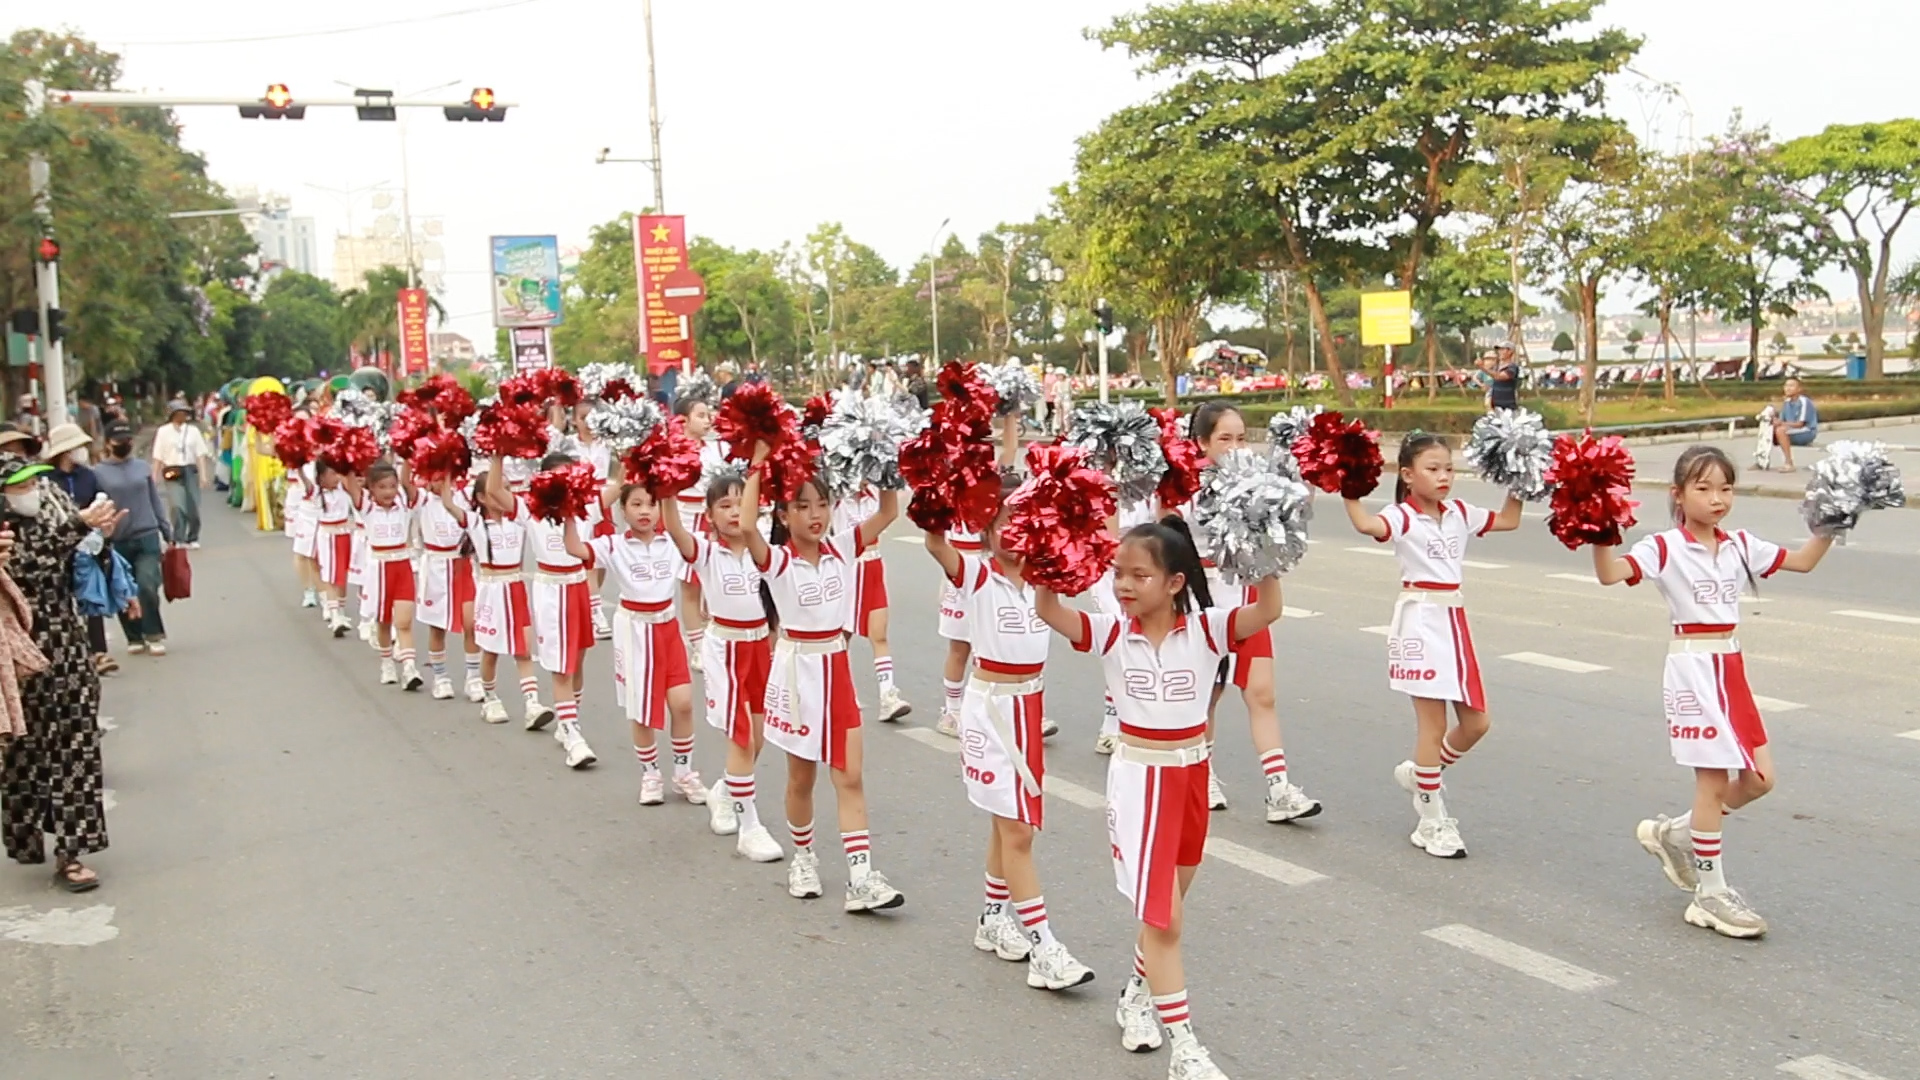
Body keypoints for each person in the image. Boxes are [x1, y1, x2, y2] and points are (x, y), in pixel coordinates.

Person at [1035, 519, 1283, 1079]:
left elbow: (1267, 611)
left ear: (1173, 582)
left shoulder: (1208, 629)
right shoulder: (1110, 633)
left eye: (1138, 575)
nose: (1123, 584)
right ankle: (1186, 1049)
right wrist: (1047, 562)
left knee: (1168, 910)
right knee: (1165, 919)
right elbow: (1050, 613)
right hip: (1140, 782)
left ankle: (1136, 995)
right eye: (1118, 573)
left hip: (1193, 776)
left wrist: (1266, 547)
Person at [1591, 446, 1831, 939]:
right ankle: (1710, 893)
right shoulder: (1664, 547)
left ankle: (1674, 835)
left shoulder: (1741, 544)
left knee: (1761, 780)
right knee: (1714, 783)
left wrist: (1836, 515)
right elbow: (1611, 573)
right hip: (1693, 669)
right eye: (1703, 488)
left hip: (1731, 667)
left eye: (1725, 488)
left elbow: (1804, 561)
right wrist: (1599, 529)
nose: (1717, 498)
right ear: (1678, 495)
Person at [925, 477, 1096, 992]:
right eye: (1004, 523)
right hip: (991, 710)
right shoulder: (976, 575)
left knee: (1011, 827)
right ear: (987, 526)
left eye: (1024, 522)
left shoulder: (1045, 579)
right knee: (1017, 830)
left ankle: (992, 918)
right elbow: (936, 543)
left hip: (1029, 705)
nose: (1014, 534)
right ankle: (1045, 945)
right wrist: (941, 483)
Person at [740, 447, 906, 912]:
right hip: (797, 674)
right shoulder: (776, 561)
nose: (815, 515)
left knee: (850, 776)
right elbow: (748, 527)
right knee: (801, 778)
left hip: (837, 671)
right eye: (802, 506)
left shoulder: (843, 547)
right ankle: (804, 857)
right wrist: (757, 464)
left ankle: (860, 876)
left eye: (821, 504)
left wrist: (881, 451)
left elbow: (889, 510)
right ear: (784, 513)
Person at [1342, 433, 1523, 858]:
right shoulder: (1402, 516)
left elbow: (1510, 520)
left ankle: (1423, 774)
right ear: (1407, 475)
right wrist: (1347, 485)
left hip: (1454, 621)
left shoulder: (1460, 512)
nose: (1444, 477)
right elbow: (1369, 526)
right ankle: (1431, 819)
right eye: (1433, 468)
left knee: (1477, 723)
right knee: (1433, 725)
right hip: (1420, 620)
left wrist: (1520, 475)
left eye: (1448, 468)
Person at [1187, 403, 1320, 822]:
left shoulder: (1258, 485)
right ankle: (1202, 773)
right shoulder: (1186, 491)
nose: (1235, 447)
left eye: (1241, 438)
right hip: (1204, 605)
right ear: (1201, 443)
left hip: (1248, 599)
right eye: (1224, 439)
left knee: (1262, 694)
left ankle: (1279, 789)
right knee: (1207, 697)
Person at [1, 446, 120, 891]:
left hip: (68, 649)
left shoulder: (55, 512)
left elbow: (75, 564)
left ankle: (73, 852)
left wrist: (99, 539)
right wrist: (78, 527)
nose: (32, 490)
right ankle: (27, 836)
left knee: (77, 748)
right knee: (22, 754)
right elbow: (30, 566)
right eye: (21, 485)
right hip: (19, 660)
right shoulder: (6, 535)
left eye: (34, 482)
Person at [662, 465, 783, 862]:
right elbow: (676, 529)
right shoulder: (706, 553)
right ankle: (749, 827)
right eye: (725, 505)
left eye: (741, 503)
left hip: (760, 648)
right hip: (725, 649)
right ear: (710, 515)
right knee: (743, 736)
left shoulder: (766, 554)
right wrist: (665, 488)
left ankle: (726, 792)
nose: (734, 512)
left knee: (761, 737)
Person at [571, 481, 705, 807]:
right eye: (636, 504)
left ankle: (684, 772)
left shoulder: (672, 543)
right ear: (623, 510)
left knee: (683, 702)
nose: (644, 511)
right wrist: (566, 514)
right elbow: (575, 549)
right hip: (635, 632)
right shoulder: (614, 545)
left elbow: (706, 554)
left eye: (651, 504)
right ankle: (650, 774)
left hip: (668, 629)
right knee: (643, 710)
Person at [510, 453, 599, 770]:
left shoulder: (584, 507)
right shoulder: (528, 509)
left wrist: (625, 449)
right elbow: (495, 491)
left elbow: (621, 486)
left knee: (577, 660)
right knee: (561, 665)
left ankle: (567, 721)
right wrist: (497, 450)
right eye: (557, 477)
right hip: (550, 588)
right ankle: (573, 735)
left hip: (577, 586)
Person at [468, 458, 553, 729]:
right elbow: (448, 500)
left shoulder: (519, 521)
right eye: (497, 490)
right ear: (481, 498)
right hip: (492, 590)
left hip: (515, 588)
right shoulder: (475, 524)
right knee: (491, 651)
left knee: (523, 649)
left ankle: (532, 702)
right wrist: (497, 455)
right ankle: (490, 697)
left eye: (508, 488)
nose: (504, 494)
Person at [92, 421, 172, 656]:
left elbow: (154, 499)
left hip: (147, 534)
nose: (125, 445)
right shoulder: (98, 473)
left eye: (128, 440)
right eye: (119, 441)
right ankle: (134, 635)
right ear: (108, 443)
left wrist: (166, 530)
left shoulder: (142, 467)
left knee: (147, 585)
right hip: (116, 540)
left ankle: (154, 633)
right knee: (124, 590)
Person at [41, 425, 114, 676]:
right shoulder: (47, 480)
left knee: (90, 593)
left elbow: (99, 499)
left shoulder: (88, 476)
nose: (81, 452)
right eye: (76, 447)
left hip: (88, 543)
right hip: (59, 545)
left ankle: (99, 652)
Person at [837, 485, 911, 722]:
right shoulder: (837, 498)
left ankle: (887, 696)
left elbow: (891, 509)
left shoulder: (875, 494)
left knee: (879, 635)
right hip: (847, 568)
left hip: (873, 566)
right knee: (841, 636)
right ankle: (840, 691)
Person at [414, 471, 482, 703]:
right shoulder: (422, 499)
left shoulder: (464, 495)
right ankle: (440, 677)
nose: (441, 484)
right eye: (435, 478)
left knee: (470, 622)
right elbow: (405, 482)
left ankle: (473, 677)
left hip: (461, 565)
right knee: (437, 627)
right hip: (435, 566)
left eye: (446, 478)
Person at [354, 462, 423, 691]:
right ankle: (386, 662)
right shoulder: (367, 508)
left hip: (402, 565)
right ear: (371, 488)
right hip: (379, 568)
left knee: (404, 621)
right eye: (382, 487)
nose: (388, 492)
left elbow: (407, 482)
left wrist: (406, 456)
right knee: (383, 621)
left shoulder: (404, 506)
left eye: (392, 487)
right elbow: (350, 485)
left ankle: (410, 667)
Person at [150, 398, 212, 548]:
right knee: (177, 505)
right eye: (179, 413)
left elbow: (200, 454)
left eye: (184, 413)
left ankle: (193, 536)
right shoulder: (163, 432)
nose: (182, 416)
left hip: (190, 470)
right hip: (172, 470)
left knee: (193, 505)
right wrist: (154, 476)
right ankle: (179, 537)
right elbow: (158, 456)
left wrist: (203, 475)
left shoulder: (193, 431)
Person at [1769, 377, 1818, 472]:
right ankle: (1761, 460)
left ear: (1799, 389)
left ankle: (1789, 463)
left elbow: (1800, 424)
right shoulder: (1786, 402)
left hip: (1806, 431)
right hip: (1792, 430)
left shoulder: (1804, 402)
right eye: (1786, 385)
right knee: (1767, 429)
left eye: (1791, 386)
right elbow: (1782, 420)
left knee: (1780, 430)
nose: (1787, 388)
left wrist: (1781, 424)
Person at [1486, 342, 1521, 412]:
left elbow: (1500, 376)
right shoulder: (1496, 366)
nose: (1500, 352)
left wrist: (1482, 368)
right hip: (1495, 406)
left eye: (1502, 350)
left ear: (1510, 351)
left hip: (1508, 407)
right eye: (1499, 350)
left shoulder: (1512, 367)